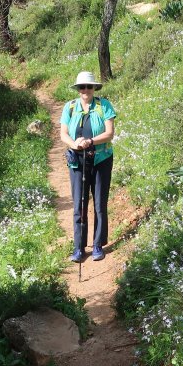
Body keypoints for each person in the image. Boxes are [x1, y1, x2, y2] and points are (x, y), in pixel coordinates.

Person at [60, 71, 116, 263]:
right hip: (77, 161)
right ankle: (78, 248)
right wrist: (76, 144)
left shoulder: (104, 106)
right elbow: (64, 134)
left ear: (94, 88)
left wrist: (90, 141)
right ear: (78, 89)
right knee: (79, 204)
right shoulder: (69, 107)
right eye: (82, 87)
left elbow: (109, 134)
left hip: (101, 159)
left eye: (88, 86)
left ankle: (98, 244)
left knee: (100, 203)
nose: (85, 90)